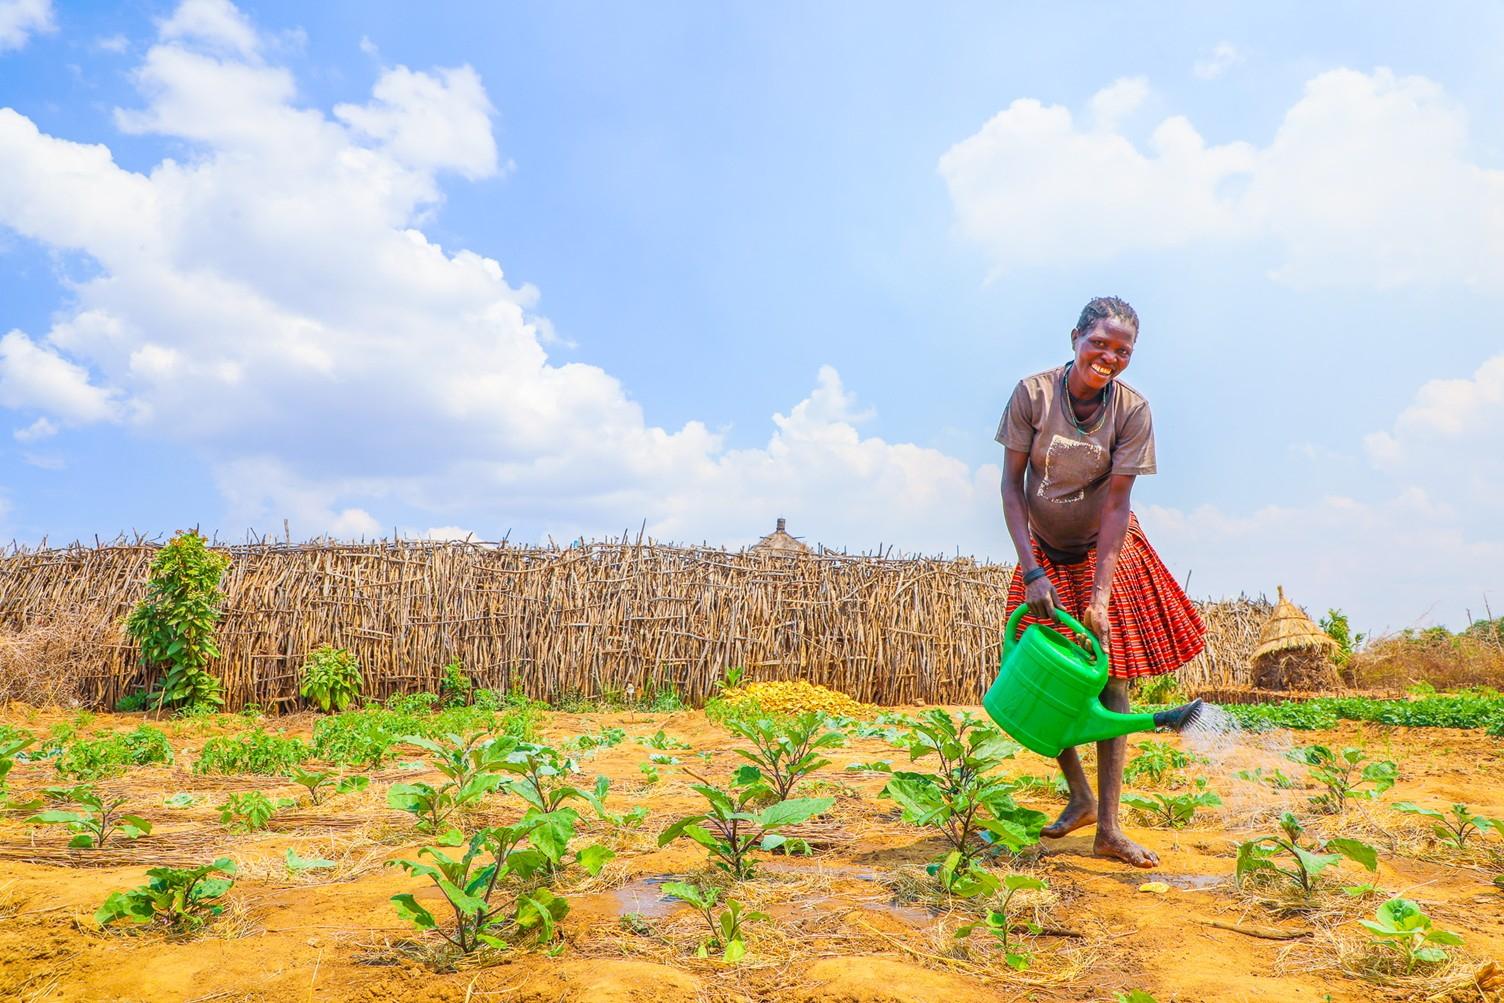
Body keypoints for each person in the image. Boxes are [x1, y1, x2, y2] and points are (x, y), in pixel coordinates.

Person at [995, 296, 1205, 869]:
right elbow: (1012, 489)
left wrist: (1102, 595)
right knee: (1044, 673)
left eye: (1123, 351)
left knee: (1111, 680)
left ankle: (1108, 827)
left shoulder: (1132, 411)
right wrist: (1033, 569)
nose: (1109, 357)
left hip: (1104, 551)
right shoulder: (1033, 395)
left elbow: (1117, 505)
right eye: (1099, 344)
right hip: (1042, 552)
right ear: (1074, 338)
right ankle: (1081, 797)